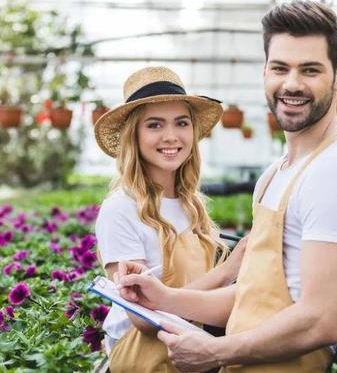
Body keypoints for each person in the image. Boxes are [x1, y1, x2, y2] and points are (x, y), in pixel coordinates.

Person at [115, 0, 337, 372]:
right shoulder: (276, 174)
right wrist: (167, 297)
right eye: (280, 68)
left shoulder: (336, 173)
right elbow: (251, 295)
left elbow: (322, 319)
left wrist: (215, 352)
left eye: (310, 70)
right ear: (265, 73)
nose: (291, 84)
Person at [93, 66, 247, 372]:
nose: (171, 136)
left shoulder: (192, 205)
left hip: (194, 353)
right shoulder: (121, 209)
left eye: (181, 123)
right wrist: (227, 271)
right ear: (133, 135)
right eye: (154, 125)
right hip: (146, 360)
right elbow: (143, 319)